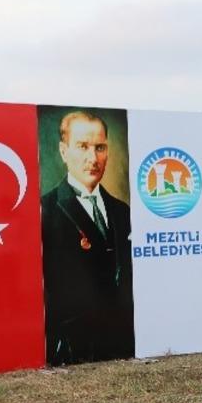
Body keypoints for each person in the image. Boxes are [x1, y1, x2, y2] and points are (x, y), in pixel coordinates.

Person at [40, 111, 134, 365]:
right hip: (73, 350)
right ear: (63, 151)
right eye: (82, 147)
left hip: (123, 345)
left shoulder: (123, 211)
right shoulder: (45, 210)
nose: (93, 158)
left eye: (100, 147)